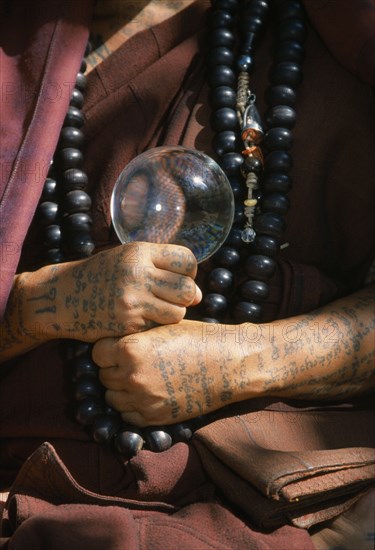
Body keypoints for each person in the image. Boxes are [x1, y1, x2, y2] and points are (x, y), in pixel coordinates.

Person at [0, 0, 374, 548]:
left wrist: (240, 362)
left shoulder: (343, 44)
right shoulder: (17, 50)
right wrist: (41, 304)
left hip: (272, 515)